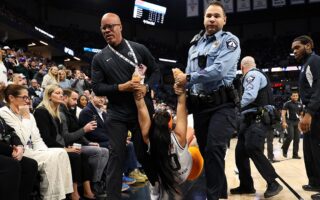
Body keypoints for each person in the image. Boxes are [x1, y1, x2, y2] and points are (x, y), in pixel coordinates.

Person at [174, 1, 240, 199]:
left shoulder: (230, 41)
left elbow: (219, 70)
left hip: (223, 105)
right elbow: (188, 72)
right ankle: (220, 193)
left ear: (224, 20)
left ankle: (214, 196)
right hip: (201, 106)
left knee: (213, 150)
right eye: (208, 15)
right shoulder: (195, 43)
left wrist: (188, 78)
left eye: (217, 16)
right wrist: (181, 84)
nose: (212, 19)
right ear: (204, 19)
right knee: (207, 152)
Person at [91, 12, 160, 199]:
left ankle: (159, 187)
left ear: (120, 26)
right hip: (117, 113)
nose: (107, 30)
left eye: (110, 26)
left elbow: (155, 71)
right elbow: (96, 87)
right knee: (116, 155)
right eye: (103, 27)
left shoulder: (138, 48)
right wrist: (122, 87)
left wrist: (147, 87)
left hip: (141, 110)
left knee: (144, 151)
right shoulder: (99, 58)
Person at [133, 69, 203, 199]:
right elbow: (182, 103)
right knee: (194, 143)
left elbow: (141, 106)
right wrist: (180, 86)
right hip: (184, 173)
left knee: (155, 180)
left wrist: (137, 82)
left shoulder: (148, 137)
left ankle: (157, 191)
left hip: (162, 176)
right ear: (171, 125)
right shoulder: (179, 137)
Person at [0, 84, 73, 200]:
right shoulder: (4, 113)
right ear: (11, 98)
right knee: (52, 157)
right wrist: (25, 117)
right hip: (20, 150)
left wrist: (45, 151)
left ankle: (64, 194)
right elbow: (21, 140)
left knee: (60, 153)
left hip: (34, 149)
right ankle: (50, 196)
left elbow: (37, 139)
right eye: (24, 97)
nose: (27, 101)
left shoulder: (27, 113)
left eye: (28, 97)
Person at [230, 56, 283, 198]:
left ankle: (273, 182)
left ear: (242, 68)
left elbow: (250, 96)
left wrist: (234, 106)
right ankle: (246, 186)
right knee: (240, 152)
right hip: (248, 120)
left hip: (257, 118)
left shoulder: (252, 74)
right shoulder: (255, 74)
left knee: (253, 147)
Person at [33, 85, 98, 199]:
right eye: (57, 93)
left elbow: (60, 136)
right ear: (49, 96)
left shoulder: (56, 111)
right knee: (75, 156)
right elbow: (46, 138)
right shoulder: (41, 111)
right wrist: (65, 148)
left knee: (82, 155)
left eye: (61, 93)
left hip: (58, 145)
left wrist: (67, 146)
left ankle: (87, 191)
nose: (61, 95)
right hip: (46, 148)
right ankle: (73, 193)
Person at [59, 88, 109, 197]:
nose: (76, 102)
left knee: (104, 150)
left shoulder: (70, 111)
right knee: (100, 151)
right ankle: (93, 185)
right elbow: (67, 137)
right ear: (65, 98)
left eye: (77, 99)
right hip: (67, 145)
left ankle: (97, 182)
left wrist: (88, 142)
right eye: (74, 99)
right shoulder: (63, 113)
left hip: (77, 143)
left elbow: (78, 132)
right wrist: (85, 130)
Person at [291, 35, 320, 200]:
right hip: (310, 111)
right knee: (309, 150)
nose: (294, 52)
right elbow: (308, 92)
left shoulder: (315, 61)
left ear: (308, 45)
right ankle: (315, 182)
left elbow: (318, 88)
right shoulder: (305, 65)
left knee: (317, 150)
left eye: (297, 48)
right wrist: (303, 110)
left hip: (317, 113)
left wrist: (310, 112)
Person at [0, 116, 38, 200]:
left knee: (30, 165)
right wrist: (11, 150)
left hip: (7, 150)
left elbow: (12, 132)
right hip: (5, 151)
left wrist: (19, 146)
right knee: (12, 165)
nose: (27, 101)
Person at [281, 91, 303, 159]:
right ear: (291, 96)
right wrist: (284, 122)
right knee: (290, 136)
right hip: (289, 122)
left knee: (297, 139)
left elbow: (301, 114)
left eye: (296, 96)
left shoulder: (300, 104)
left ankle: (295, 154)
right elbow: (283, 114)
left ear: (298, 96)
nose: (295, 97)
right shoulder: (287, 104)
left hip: (297, 122)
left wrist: (301, 121)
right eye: (294, 96)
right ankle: (284, 148)